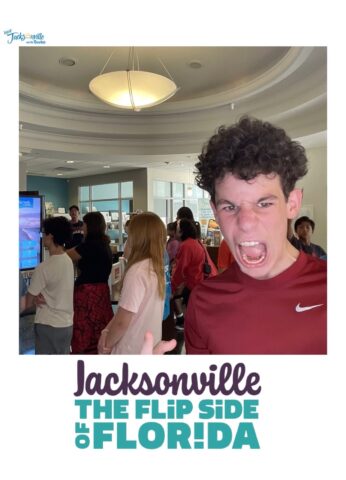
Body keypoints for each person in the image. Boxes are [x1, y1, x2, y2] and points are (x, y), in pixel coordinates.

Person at [184, 115, 326, 354]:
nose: (246, 223)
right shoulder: (203, 301)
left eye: (263, 204)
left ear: (292, 203)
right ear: (215, 213)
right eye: (229, 207)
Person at [98, 212, 167, 354]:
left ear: (138, 240)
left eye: (129, 236)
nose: (126, 242)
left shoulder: (137, 272)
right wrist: (106, 331)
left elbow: (122, 321)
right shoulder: (153, 268)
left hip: (130, 350)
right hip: (148, 348)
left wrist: (106, 345)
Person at [25, 216, 74, 354]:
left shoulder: (43, 268)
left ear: (50, 236)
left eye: (44, 233)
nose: (42, 237)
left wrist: (34, 298)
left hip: (48, 325)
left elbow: (28, 302)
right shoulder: (68, 260)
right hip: (66, 324)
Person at [67, 212, 113, 354]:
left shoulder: (89, 246)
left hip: (86, 296)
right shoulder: (105, 245)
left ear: (90, 226)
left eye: (84, 224)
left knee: (84, 332)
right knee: (99, 329)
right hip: (102, 293)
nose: (83, 228)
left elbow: (65, 257)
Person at [171, 218, 218, 330]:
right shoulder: (195, 242)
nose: (174, 231)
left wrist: (171, 288)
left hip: (198, 284)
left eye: (177, 228)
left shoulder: (186, 245)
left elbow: (180, 270)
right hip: (206, 282)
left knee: (194, 318)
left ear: (182, 231)